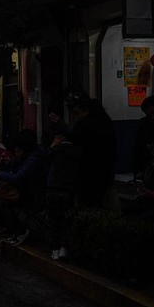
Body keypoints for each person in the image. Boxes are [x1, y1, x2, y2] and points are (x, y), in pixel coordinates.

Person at [69, 96, 116, 208]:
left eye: (77, 113)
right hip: (104, 170)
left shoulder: (86, 125)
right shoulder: (105, 123)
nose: (77, 116)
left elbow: (76, 139)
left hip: (89, 170)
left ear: (86, 111)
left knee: (89, 201)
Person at [44, 128, 82, 260]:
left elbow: (44, 159)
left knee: (54, 220)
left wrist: (52, 145)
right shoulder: (77, 152)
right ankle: (63, 248)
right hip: (69, 190)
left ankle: (55, 248)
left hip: (54, 188)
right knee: (66, 220)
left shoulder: (55, 151)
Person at [133, 96, 154, 181]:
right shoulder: (143, 124)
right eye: (149, 115)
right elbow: (138, 148)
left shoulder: (143, 124)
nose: (152, 117)